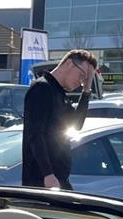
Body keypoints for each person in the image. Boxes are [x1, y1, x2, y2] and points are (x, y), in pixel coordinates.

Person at [22, 50, 101, 189]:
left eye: (85, 78)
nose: (81, 82)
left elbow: (76, 124)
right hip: (43, 182)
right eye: (82, 76)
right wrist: (48, 174)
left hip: (60, 179)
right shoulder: (41, 89)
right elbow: (35, 135)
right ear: (69, 64)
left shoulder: (59, 93)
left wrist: (87, 89)